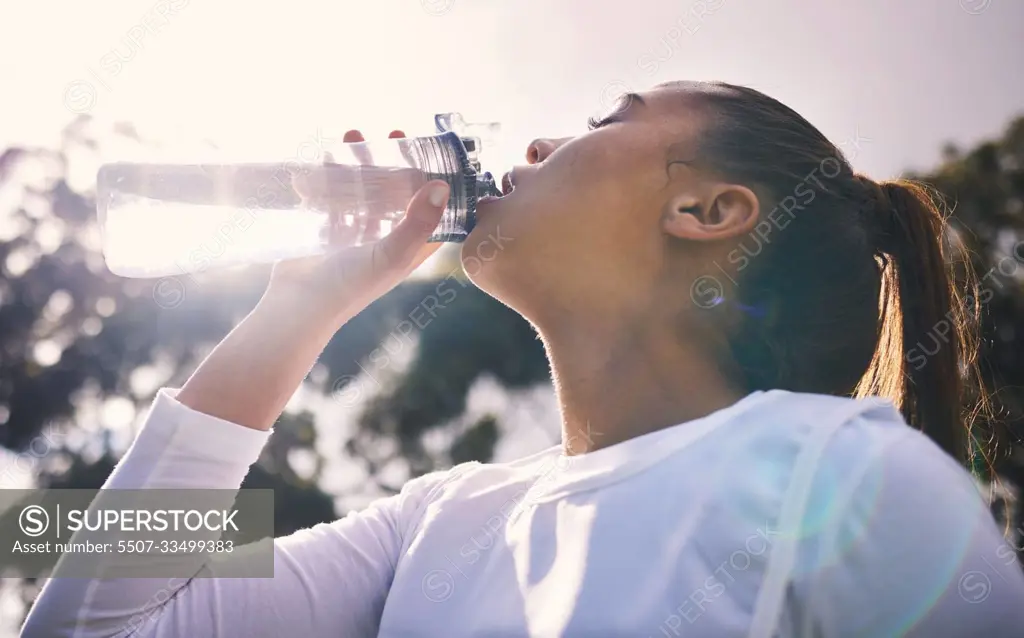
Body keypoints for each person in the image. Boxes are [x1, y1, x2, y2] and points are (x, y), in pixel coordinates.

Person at [23, 81, 1024, 637]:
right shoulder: (438, 516)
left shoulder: (846, 472)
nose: (538, 143)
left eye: (605, 121)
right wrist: (296, 305)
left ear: (706, 210)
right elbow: (86, 627)